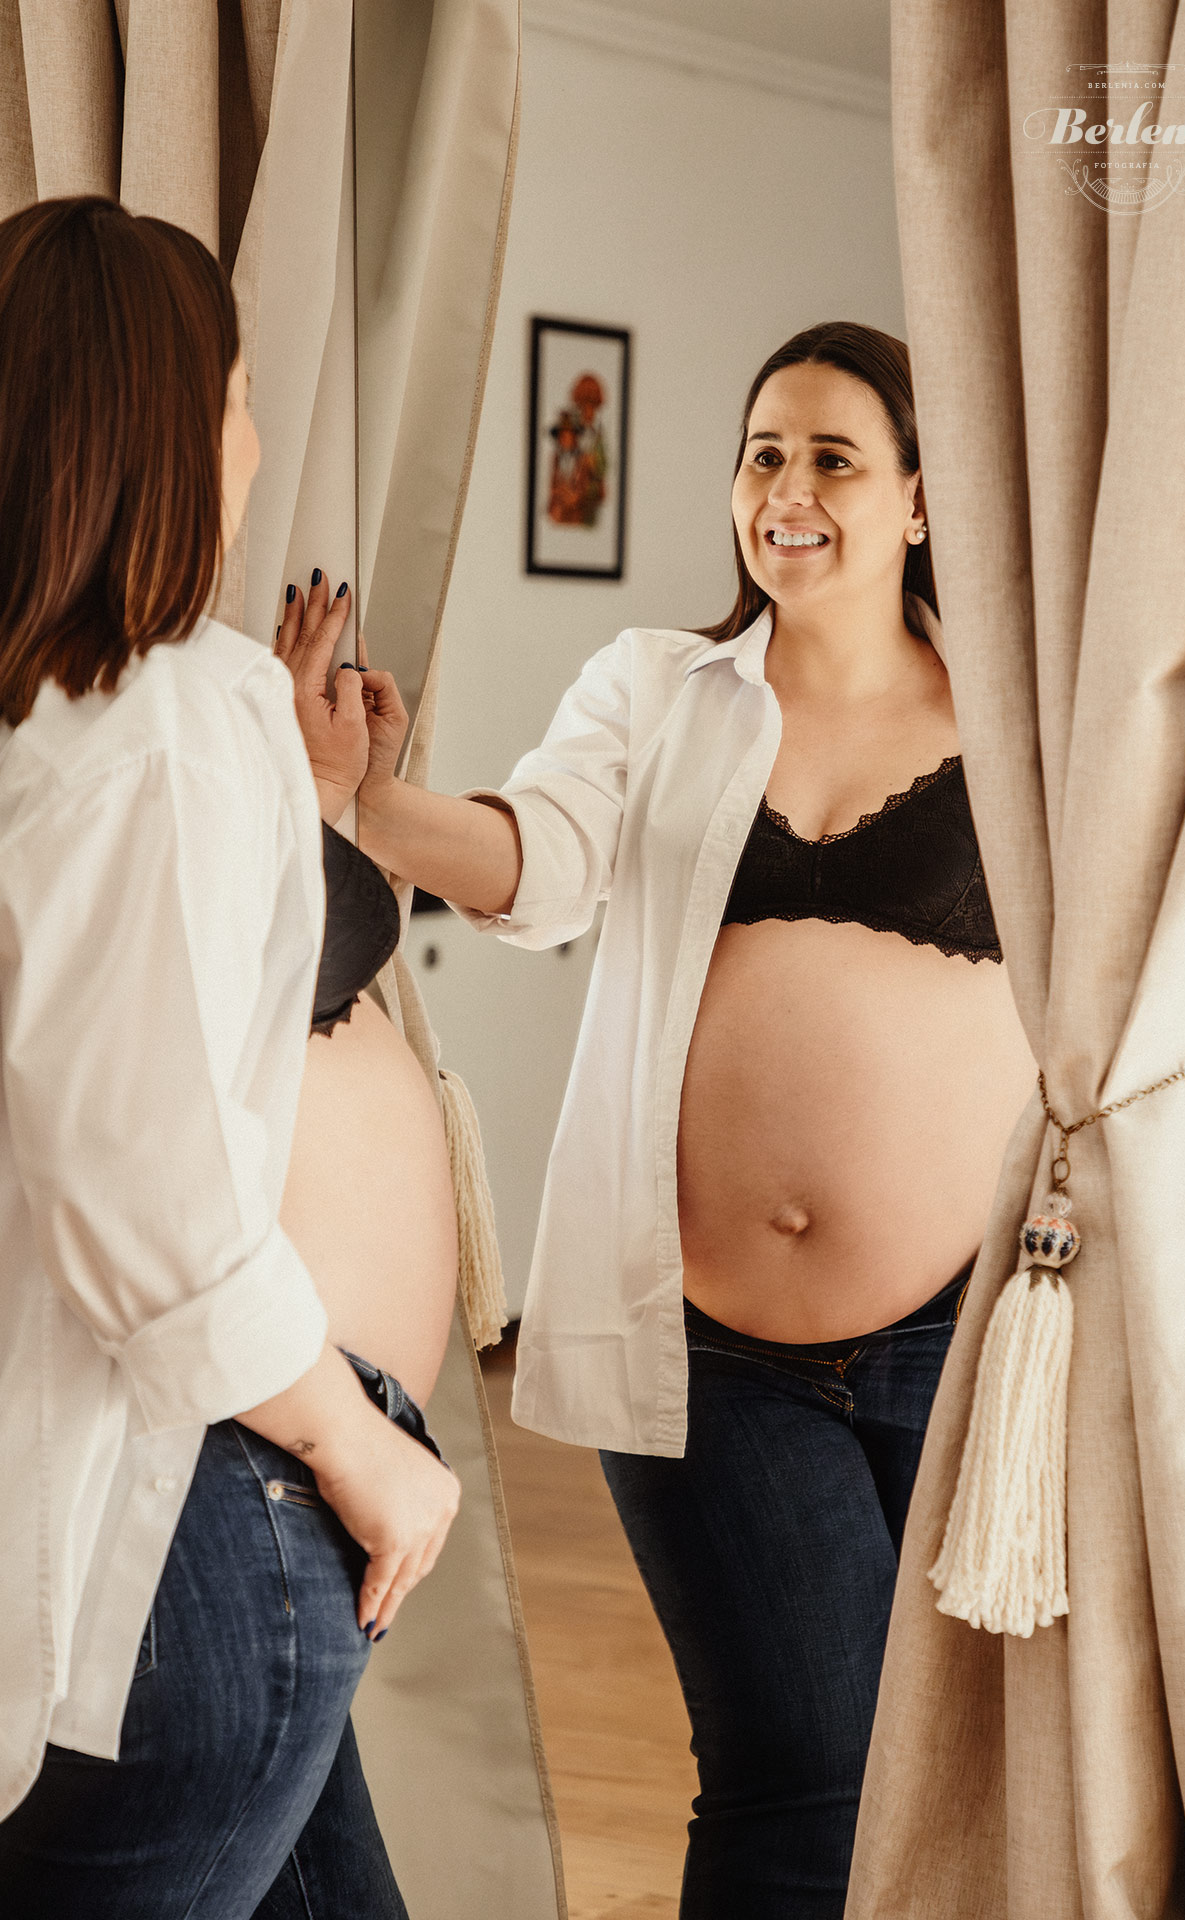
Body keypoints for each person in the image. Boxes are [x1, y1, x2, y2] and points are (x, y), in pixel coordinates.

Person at [283, 322, 1037, 1918]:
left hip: (964, 1341)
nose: (786, 490)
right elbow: (539, 862)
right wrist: (369, 803)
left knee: (950, 1781)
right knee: (803, 1766)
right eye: (764, 455)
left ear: (920, 499)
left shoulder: (1021, 713)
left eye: (834, 458)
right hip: (705, 1352)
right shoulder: (657, 688)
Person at [0, 196, 459, 1920]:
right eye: (244, 392)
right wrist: (355, 1445)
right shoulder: (167, 710)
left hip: (185, 1504)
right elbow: (145, 1191)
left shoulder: (58, 718)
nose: (256, 440)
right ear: (171, 425)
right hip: (206, 1512)